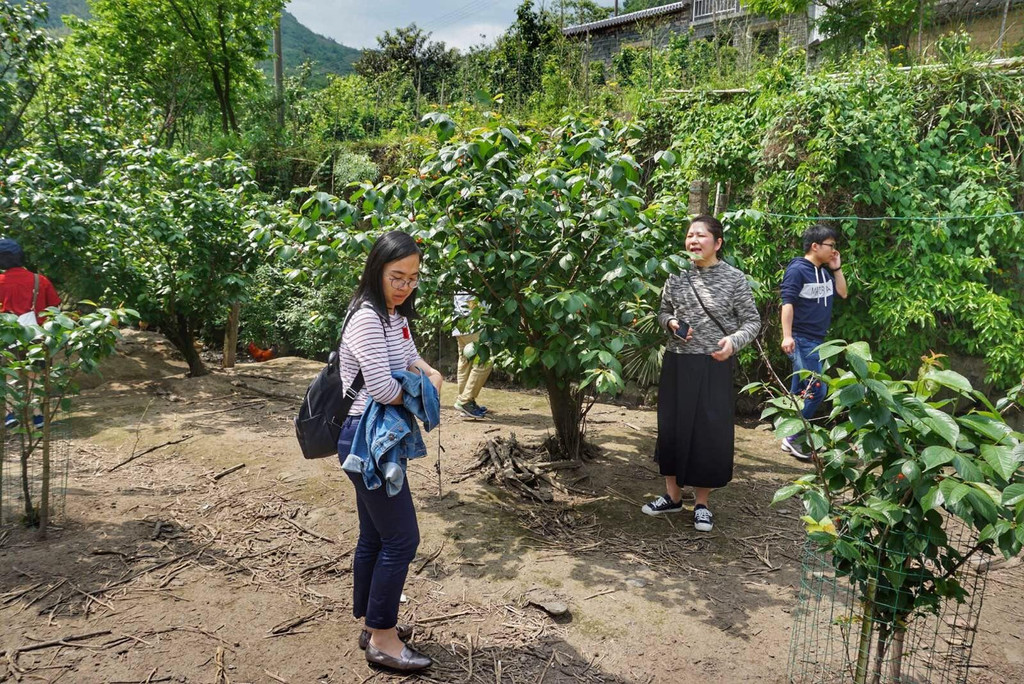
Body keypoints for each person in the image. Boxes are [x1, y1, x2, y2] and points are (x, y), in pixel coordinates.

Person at [334, 230, 443, 672]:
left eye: (413, 278)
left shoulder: (393, 317)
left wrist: (428, 372)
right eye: (397, 276)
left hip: (378, 436)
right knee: (402, 538)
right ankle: (383, 640)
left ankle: (371, 622)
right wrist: (423, 390)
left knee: (376, 535)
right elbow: (380, 386)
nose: (405, 286)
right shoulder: (365, 317)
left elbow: (412, 357)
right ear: (376, 269)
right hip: (365, 437)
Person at [642, 215, 761, 532]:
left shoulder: (734, 279)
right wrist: (670, 323)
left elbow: (752, 322)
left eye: (701, 236)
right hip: (678, 361)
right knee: (671, 428)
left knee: (708, 433)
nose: (693, 241)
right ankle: (672, 497)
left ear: (718, 243)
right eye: (690, 235)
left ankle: (702, 504)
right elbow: (663, 311)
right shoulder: (676, 275)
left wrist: (733, 342)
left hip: (714, 364)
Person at [779, 224, 848, 461]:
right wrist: (787, 336)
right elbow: (787, 303)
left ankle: (788, 434)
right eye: (831, 246)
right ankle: (793, 437)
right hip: (801, 339)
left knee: (800, 391)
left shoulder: (824, 272)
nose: (834, 250)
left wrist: (836, 268)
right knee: (817, 390)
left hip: (818, 341)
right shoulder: (798, 270)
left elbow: (843, 293)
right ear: (815, 246)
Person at [0, 238, 61, 429]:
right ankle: (38, 417)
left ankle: (10, 415)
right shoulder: (39, 280)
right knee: (36, 375)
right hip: (37, 334)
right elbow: (55, 307)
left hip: (8, 335)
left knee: (10, 375)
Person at [452, 292, 492, 418]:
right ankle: (465, 401)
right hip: (472, 322)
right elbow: (472, 298)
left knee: (466, 361)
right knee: (486, 359)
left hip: (460, 320)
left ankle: (466, 404)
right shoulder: (474, 272)